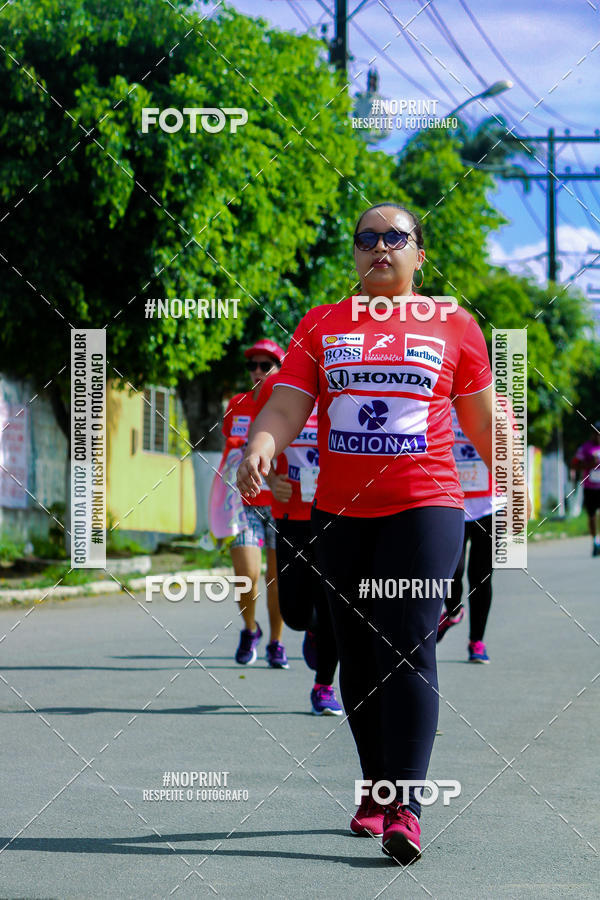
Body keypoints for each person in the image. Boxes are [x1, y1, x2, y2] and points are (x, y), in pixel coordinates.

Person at [237, 203, 528, 865]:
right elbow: (287, 403)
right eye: (366, 238)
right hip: (339, 514)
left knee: (405, 648)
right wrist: (261, 446)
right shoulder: (323, 323)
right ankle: (373, 783)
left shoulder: (453, 324)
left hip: (426, 505)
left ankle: (406, 806)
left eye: (395, 237)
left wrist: (512, 484)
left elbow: (484, 419)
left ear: (419, 254)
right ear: (355, 254)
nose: (379, 248)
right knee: (360, 657)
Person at [257, 372, 342, 715]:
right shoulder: (279, 387)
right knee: (293, 613)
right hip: (291, 515)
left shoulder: (347, 388)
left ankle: (324, 685)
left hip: (335, 514)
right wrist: (273, 479)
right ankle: (312, 629)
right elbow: (261, 438)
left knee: (334, 603)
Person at [221, 339, 288, 667]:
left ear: (280, 368)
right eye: (253, 366)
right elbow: (231, 451)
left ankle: (276, 641)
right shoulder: (237, 403)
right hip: (242, 504)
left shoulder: (291, 404)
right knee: (245, 574)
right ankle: (250, 630)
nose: (258, 372)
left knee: (276, 579)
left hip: (279, 503)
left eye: (266, 365)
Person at [437, 407, 497, 662]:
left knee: (481, 576)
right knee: (452, 570)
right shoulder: (441, 405)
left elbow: (509, 450)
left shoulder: (498, 405)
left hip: (488, 505)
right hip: (452, 503)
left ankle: (477, 641)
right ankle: (453, 611)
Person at [571, 421, 600, 557]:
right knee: (592, 516)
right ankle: (595, 541)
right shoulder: (585, 448)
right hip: (590, 487)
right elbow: (575, 465)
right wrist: (589, 464)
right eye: (597, 434)